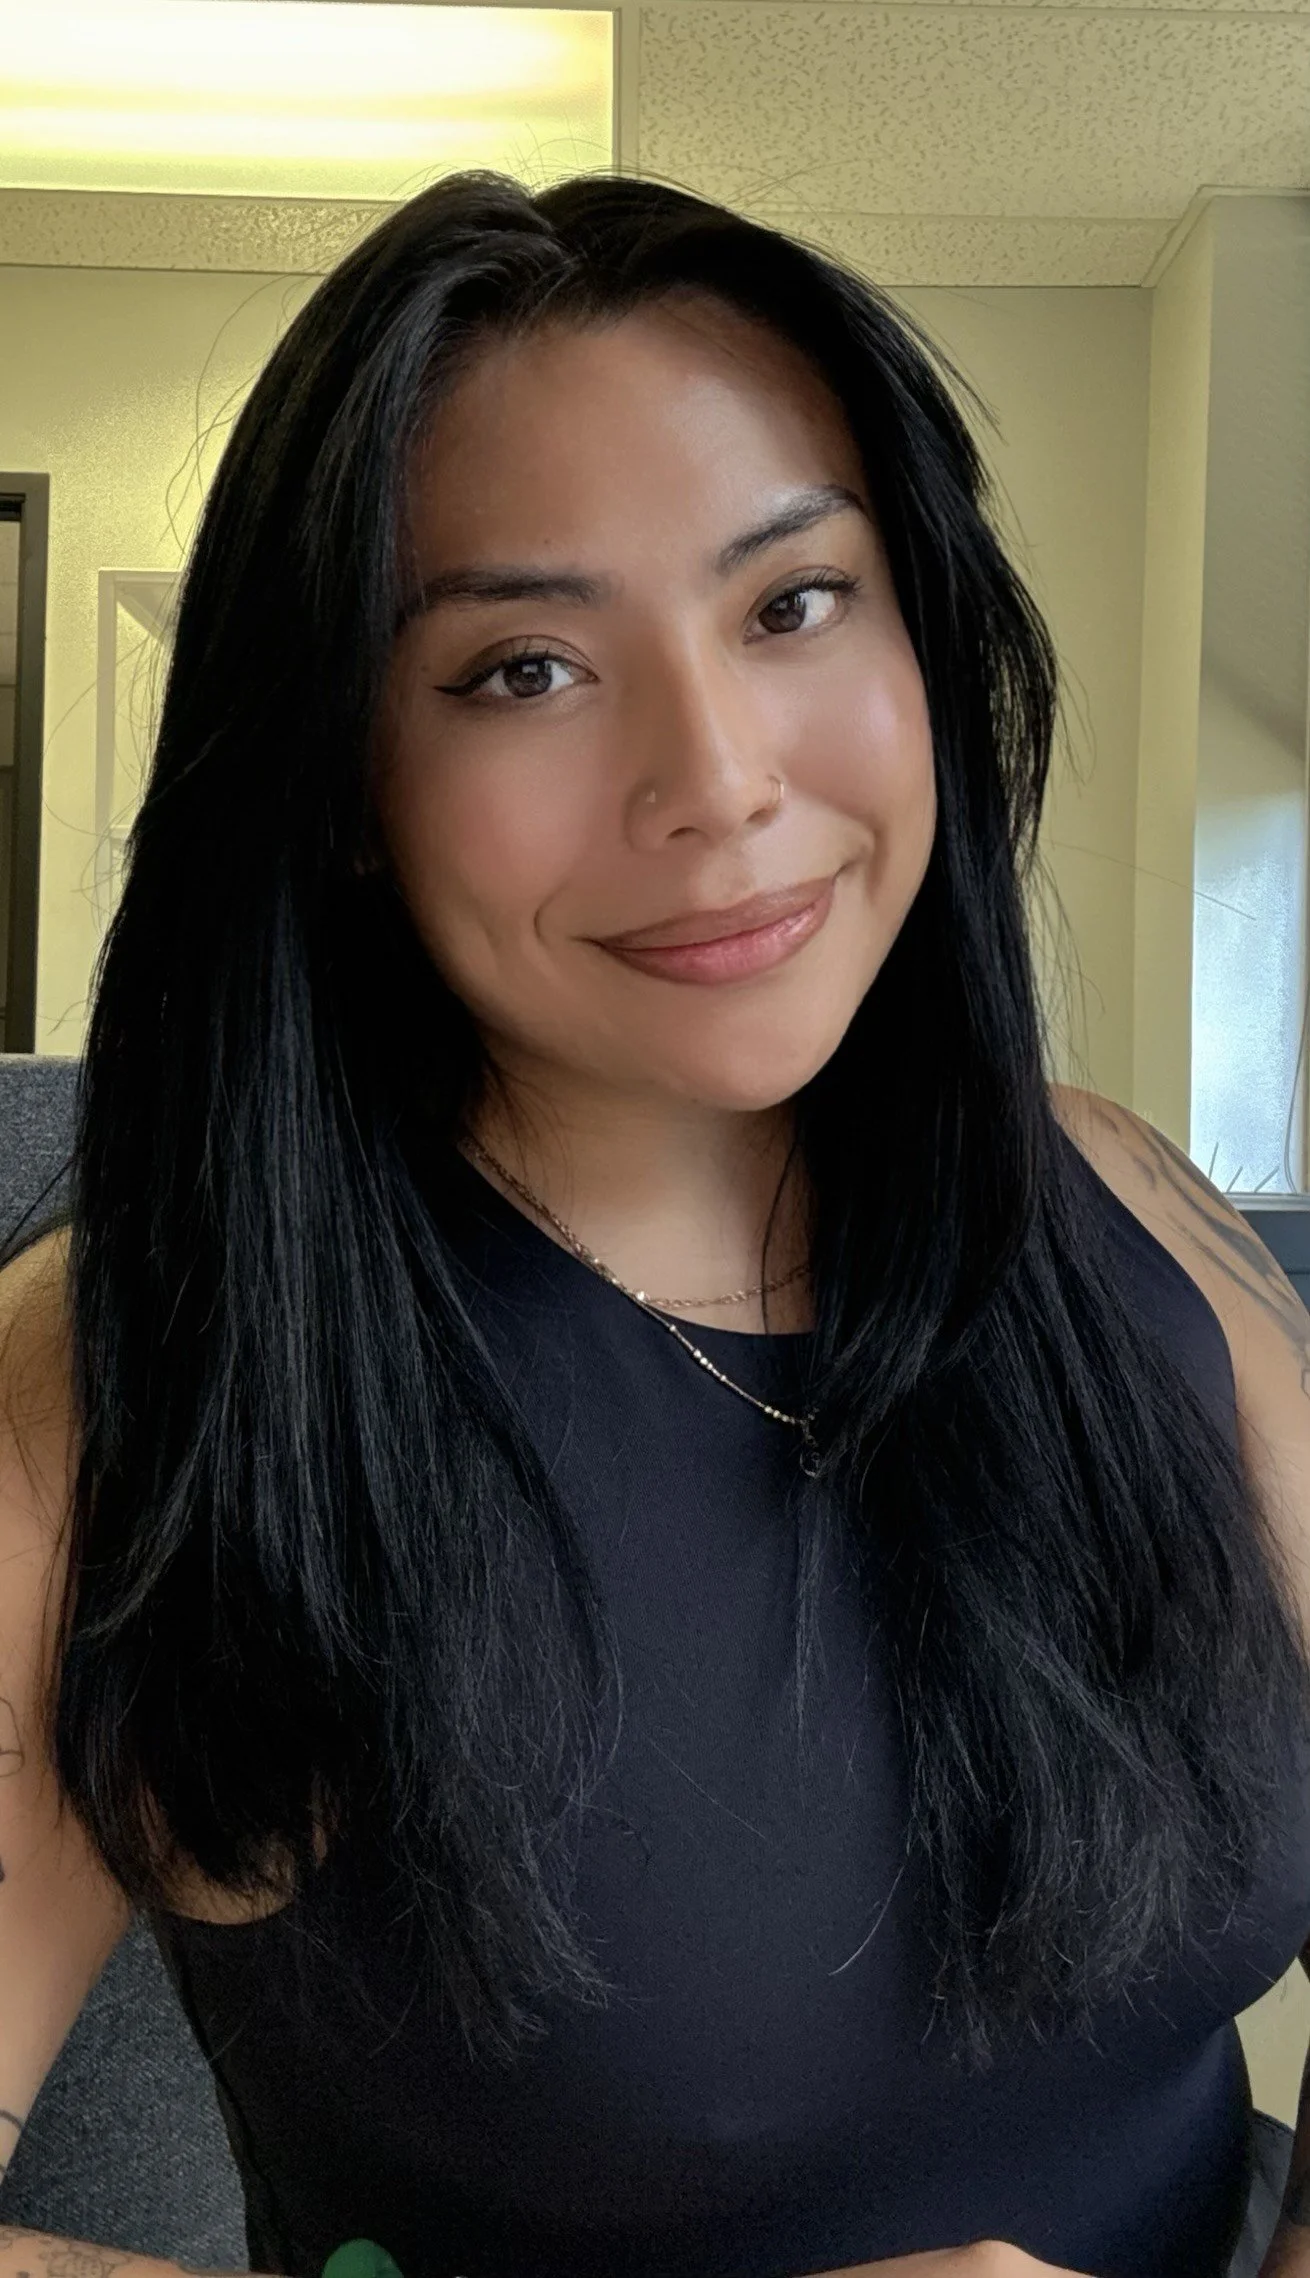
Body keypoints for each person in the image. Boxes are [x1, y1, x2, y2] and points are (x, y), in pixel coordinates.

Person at [0, 166, 1307, 2278]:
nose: (716, 778)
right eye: (523, 666)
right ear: (339, 772)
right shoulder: (133, 1371)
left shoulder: (1109, 1197)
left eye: (792, 602)